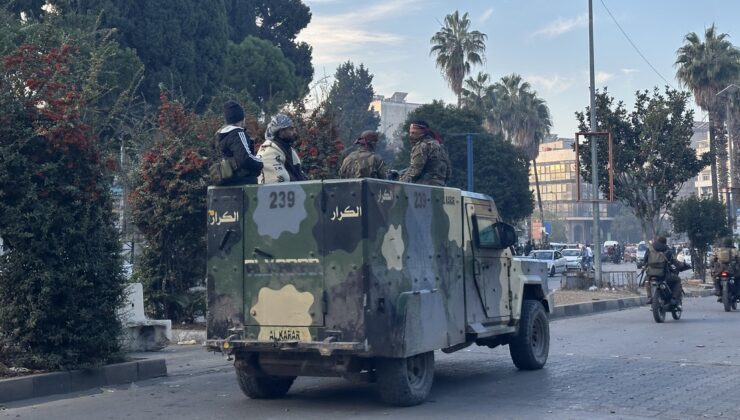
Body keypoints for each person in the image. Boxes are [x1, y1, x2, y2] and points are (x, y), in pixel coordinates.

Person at [213, 100, 263, 185]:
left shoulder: (218, 136)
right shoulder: (238, 133)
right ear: (242, 118)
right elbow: (245, 159)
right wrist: (260, 163)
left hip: (223, 183)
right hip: (243, 184)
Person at [257, 113, 307, 184]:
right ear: (281, 131)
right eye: (291, 129)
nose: (294, 132)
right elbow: (276, 180)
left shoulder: (286, 148)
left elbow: (298, 174)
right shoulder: (269, 150)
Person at [399, 120, 451, 186]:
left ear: (422, 132)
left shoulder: (422, 146)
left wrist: (400, 182)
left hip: (425, 187)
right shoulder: (439, 145)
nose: (410, 135)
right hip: (441, 186)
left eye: (413, 133)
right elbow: (448, 172)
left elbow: (415, 171)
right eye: (410, 133)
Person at [642, 236, 688, 305]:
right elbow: (674, 262)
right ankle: (674, 298)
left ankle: (649, 297)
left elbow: (644, 261)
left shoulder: (650, 249)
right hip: (663, 275)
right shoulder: (667, 250)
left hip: (650, 275)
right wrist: (682, 266)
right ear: (665, 242)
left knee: (647, 281)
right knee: (677, 280)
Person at [710, 237, 739, 301]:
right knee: (738, 278)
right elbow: (739, 260)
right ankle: (737, 293)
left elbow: (712, 260)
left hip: (719, 270)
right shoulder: (735, 250)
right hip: (732, 270)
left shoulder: (718, 250)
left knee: (715, 278)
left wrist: (712, 267)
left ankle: (718, 291)